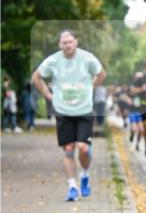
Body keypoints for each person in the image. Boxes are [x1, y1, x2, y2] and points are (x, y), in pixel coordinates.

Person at [32, 30, 106, 201]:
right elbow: (36, 78)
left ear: (76, 42)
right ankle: (72, 186)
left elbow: (101, 74)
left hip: (84, 110)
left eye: (70, 41)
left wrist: (90, 88)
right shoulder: (53, 60)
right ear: (60, 45)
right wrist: (49, 95)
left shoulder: (87, 58)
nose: (67, 45)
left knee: (84, 148)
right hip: (63, 111)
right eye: (64, 42)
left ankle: (85, 174)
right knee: (68, 150)